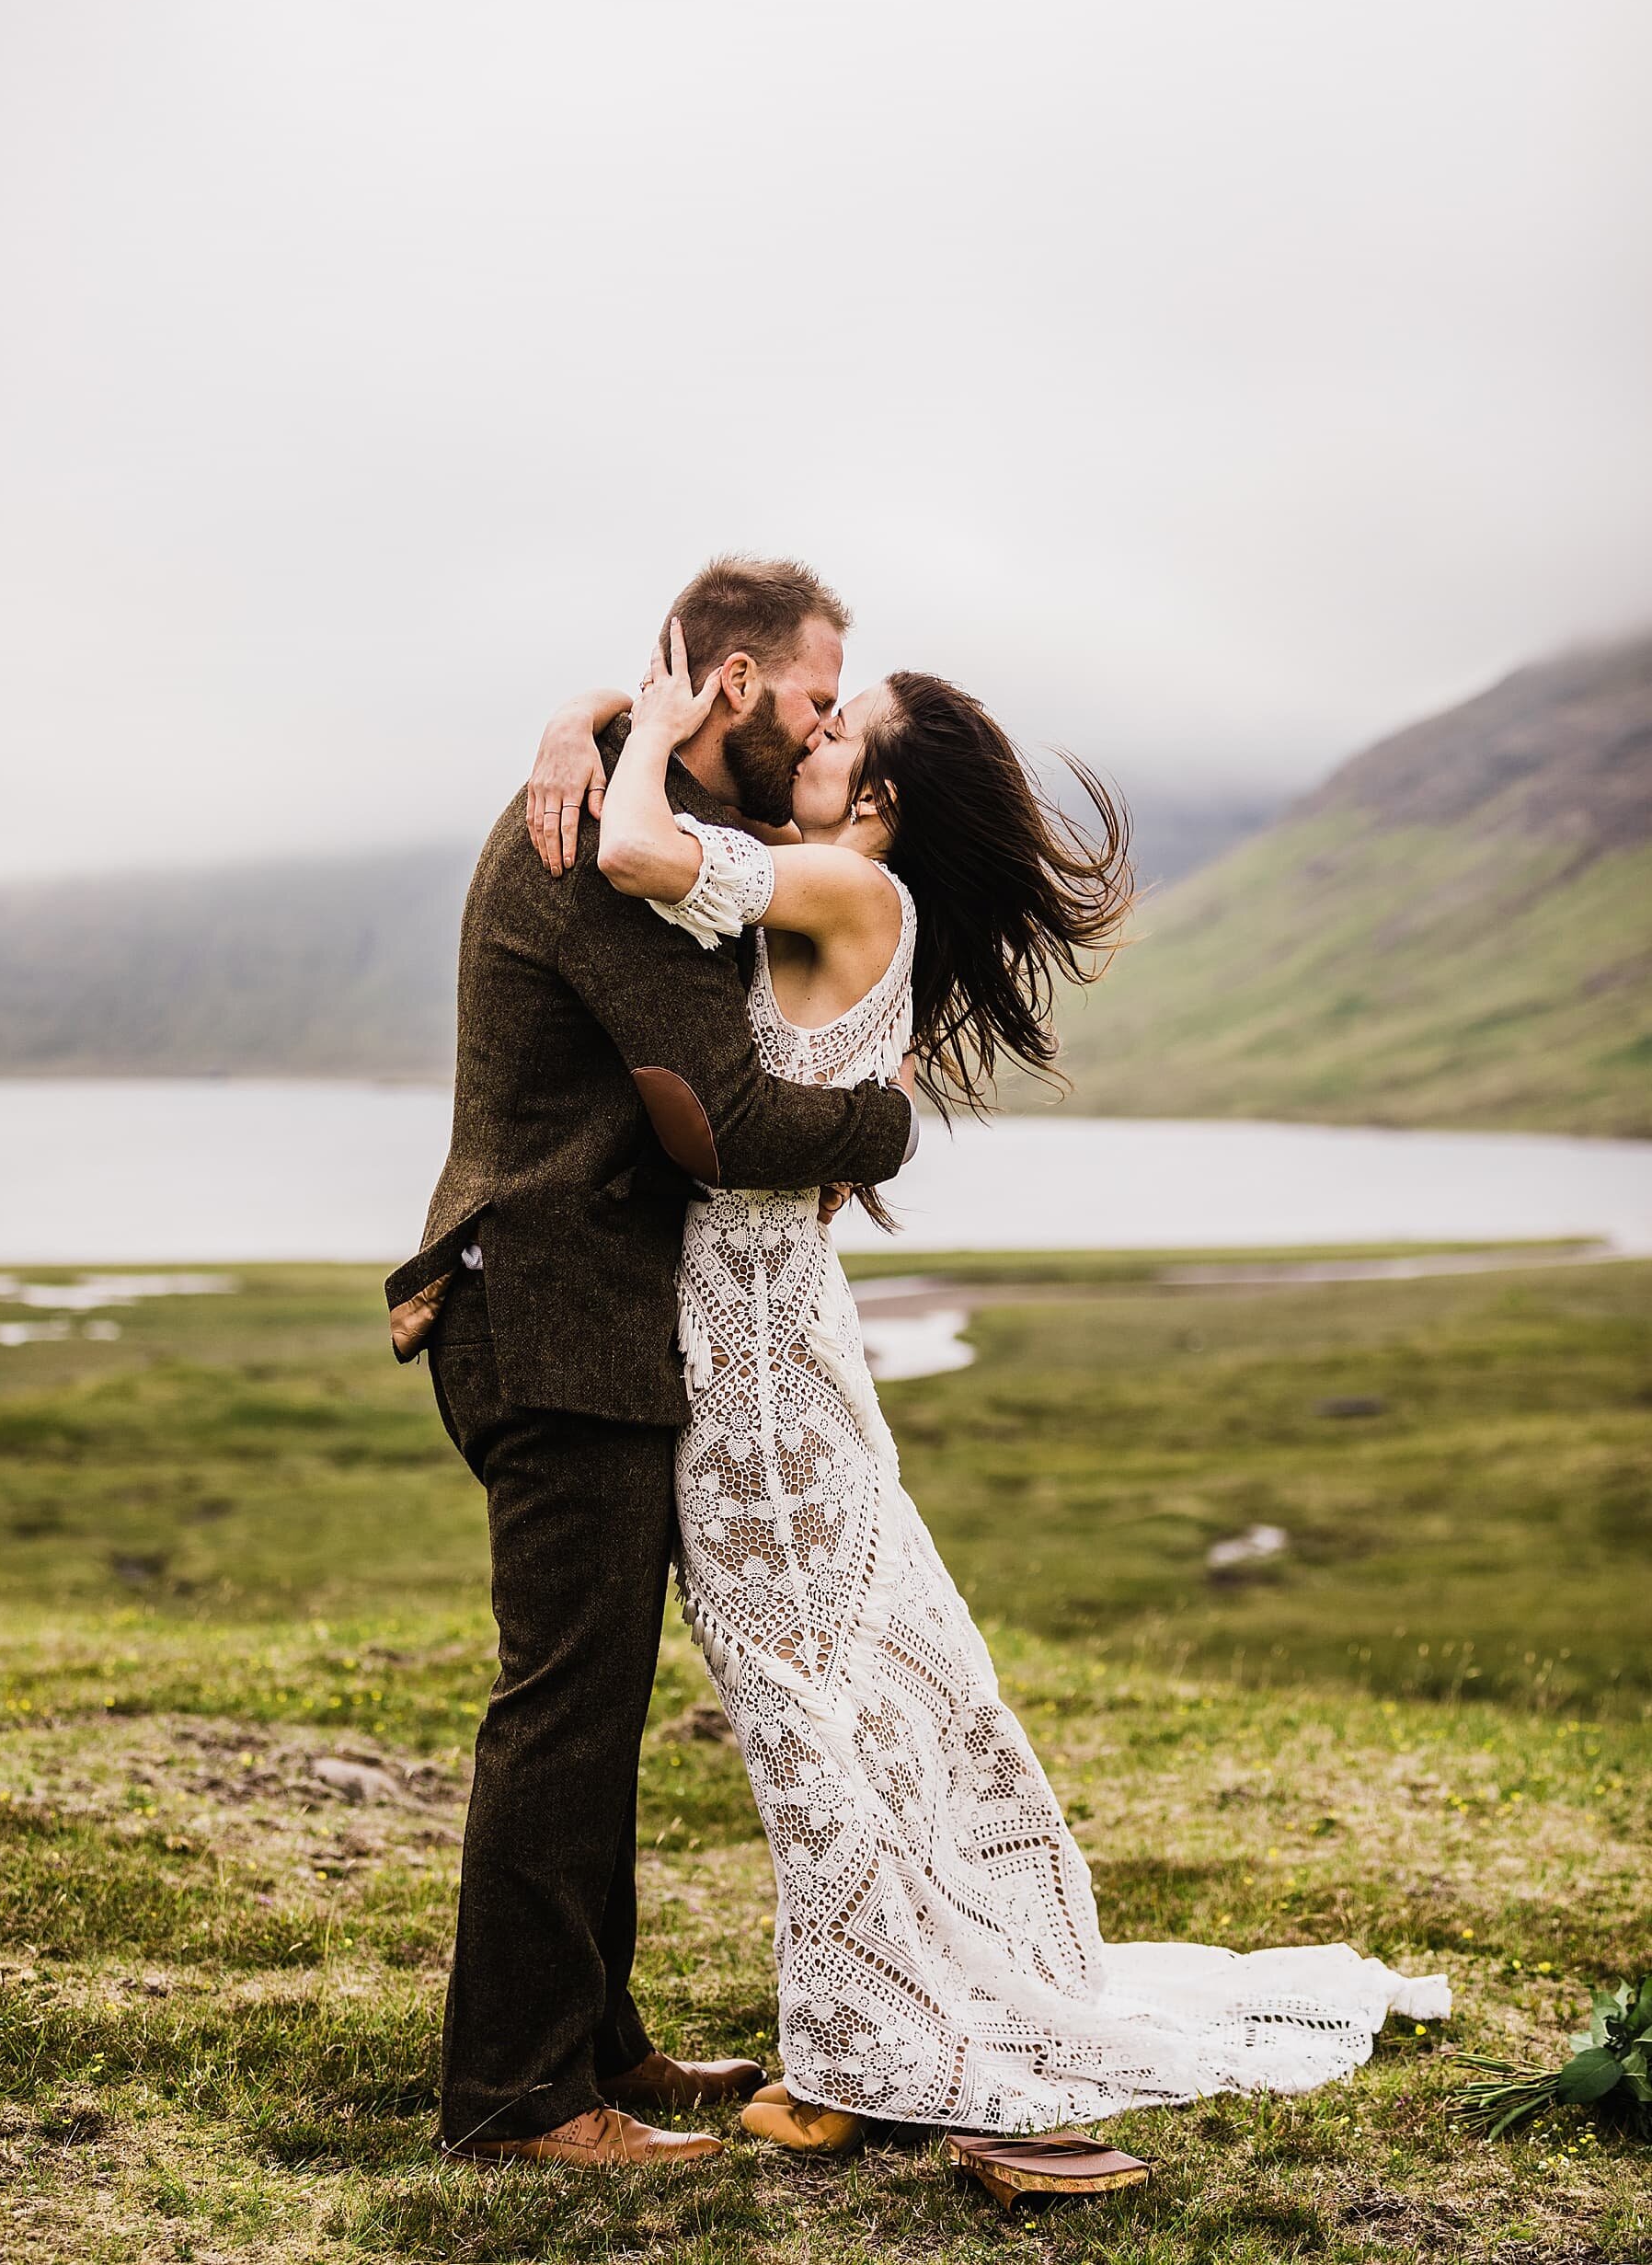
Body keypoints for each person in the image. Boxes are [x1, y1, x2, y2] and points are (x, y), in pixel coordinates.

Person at [533, 613, 1450, 2156]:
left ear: (878, 803)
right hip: (769, 1345)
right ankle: (886, 2005)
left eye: (836, 736)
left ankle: (848, 2064)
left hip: (758, 1383)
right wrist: (587, 708)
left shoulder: (846, 885)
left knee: (791, 1707)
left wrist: (638, 716)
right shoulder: (838, 886)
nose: (805, 738)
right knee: (852, 1690)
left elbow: (630, 854)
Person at [385, 558, 919, 2171]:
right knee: (562, 1707)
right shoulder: (592, 854)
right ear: (742, 684)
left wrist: (589, 713)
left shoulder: (653, 817)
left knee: (596, 1699)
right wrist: (887, 1123)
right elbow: (728, 1123)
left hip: (581, 1315)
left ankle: (596, 2042)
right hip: (549, 1320)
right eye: (821, 699)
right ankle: (518, 2100)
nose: (830, 723)